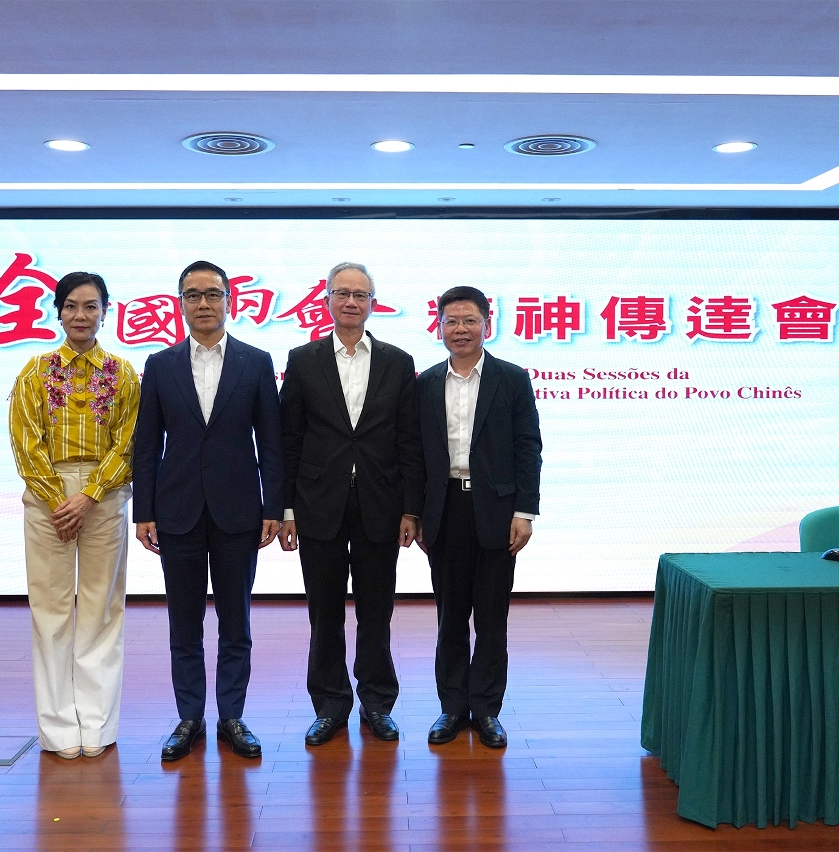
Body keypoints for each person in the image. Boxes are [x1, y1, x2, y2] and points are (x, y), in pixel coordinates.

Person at [132, 260, 284, 761]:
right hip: (176, 513)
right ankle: (189, 717)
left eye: (212, 295)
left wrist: (273, 507)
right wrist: (144, 510)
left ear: (229, 301)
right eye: (193, 295)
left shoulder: (256, 362)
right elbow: (146, 442)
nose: (203, 304)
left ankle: (233, 717)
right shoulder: (159, 365)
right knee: (184, 622)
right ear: (180, 303)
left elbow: (272, 442)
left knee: (236, 622)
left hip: (240, 512)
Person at [278, 262, 424, 746]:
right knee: (323, 612)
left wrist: (410, 509)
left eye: (361, 295)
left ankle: (377, 702)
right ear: (326, 301)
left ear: (372, 303)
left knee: (376, 610)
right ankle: (330, 705)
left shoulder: (398, 363)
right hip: (318, 504)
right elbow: (288, 439)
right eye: (342, 293)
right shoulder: (303, 360)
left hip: (381, 506)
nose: (351, 302)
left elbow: (409, 442)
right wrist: (287, 510)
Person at [9, 271, 140, 760]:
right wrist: (56, 498)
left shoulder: (125, 373)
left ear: (107, 311)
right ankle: (58, 727)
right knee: (51, 610)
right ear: (57, 312)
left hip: (104, 496)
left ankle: (98, 724)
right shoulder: (35, 370)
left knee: (102, 611)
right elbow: (25, 443)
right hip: (47, 498)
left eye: (90, 306)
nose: (80, 315)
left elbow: (129, 444)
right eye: (70, 306)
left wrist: (89, 495)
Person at [416, 286, 542, 749]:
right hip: (444, 510)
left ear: (487, 325)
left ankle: (486, 709)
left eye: (469, 320)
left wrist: (524, 511)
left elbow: (529, 447)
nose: (460, 329)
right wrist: (415, 512)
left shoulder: (511, 379)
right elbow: (414, 456)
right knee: (450, 614)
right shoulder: (425, 383)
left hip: (497, 510)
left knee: (491, 615)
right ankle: (452, 707)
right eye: (451, 321)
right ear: (440, 327)